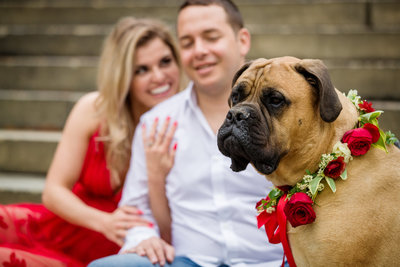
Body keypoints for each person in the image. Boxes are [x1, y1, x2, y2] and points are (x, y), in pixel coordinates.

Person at [90, 0, 283, 266]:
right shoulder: (155, 123)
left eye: (211, 37)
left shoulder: (284, 112)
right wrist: (143, 237)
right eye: (187, 42)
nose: (199, 51)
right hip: (189, 261)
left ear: (242, 40)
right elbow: (136, 209)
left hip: (271, 260)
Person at [0, 17, 181, 266]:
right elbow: (53, 191)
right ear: (123, 76)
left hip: (114, 251)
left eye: (165, 62)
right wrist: (104, 222)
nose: (159, 76)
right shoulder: (94, 109)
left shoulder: (187, 126)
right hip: (61, 228)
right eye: (141, 69)